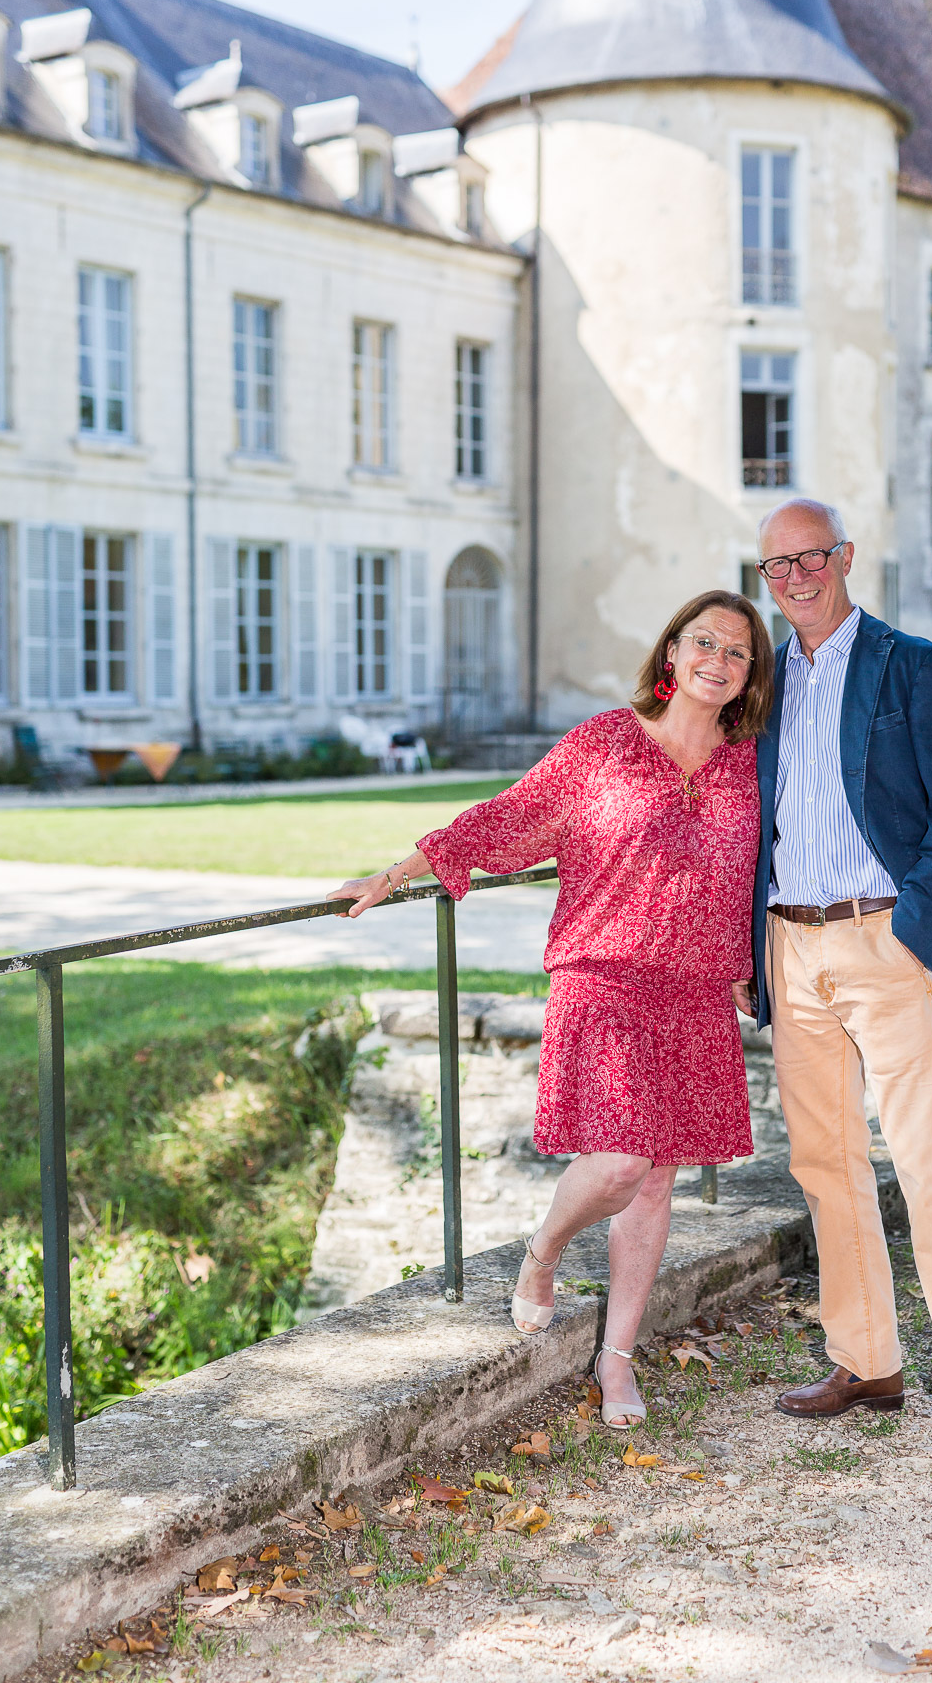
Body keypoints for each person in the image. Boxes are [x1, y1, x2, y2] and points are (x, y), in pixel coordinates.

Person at [328, 591, 773, 1430]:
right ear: (671, 652)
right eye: (704, 642)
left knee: (656, 1181)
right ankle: (543, 1253)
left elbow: (765, 873)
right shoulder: (605, 742)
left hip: (695, 995)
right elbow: (511, 815)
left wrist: (751, 966)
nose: (718, 660)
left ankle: (617, 1356)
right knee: (620, 1165)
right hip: (604, 981)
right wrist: (395, 872)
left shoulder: (751, 766)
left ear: (751, 675)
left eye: (738, 652)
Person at [736, 497, 932, 1480]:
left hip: (884, 940)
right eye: (777, 566)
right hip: (790, 946)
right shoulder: (765, 684)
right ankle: (868, 1361)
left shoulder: (912, 665)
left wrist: (914, 930)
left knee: (930, 1165)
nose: (795, 577)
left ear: (845, 556)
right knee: (825, 1164)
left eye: (811, 556)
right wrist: (747, 947)